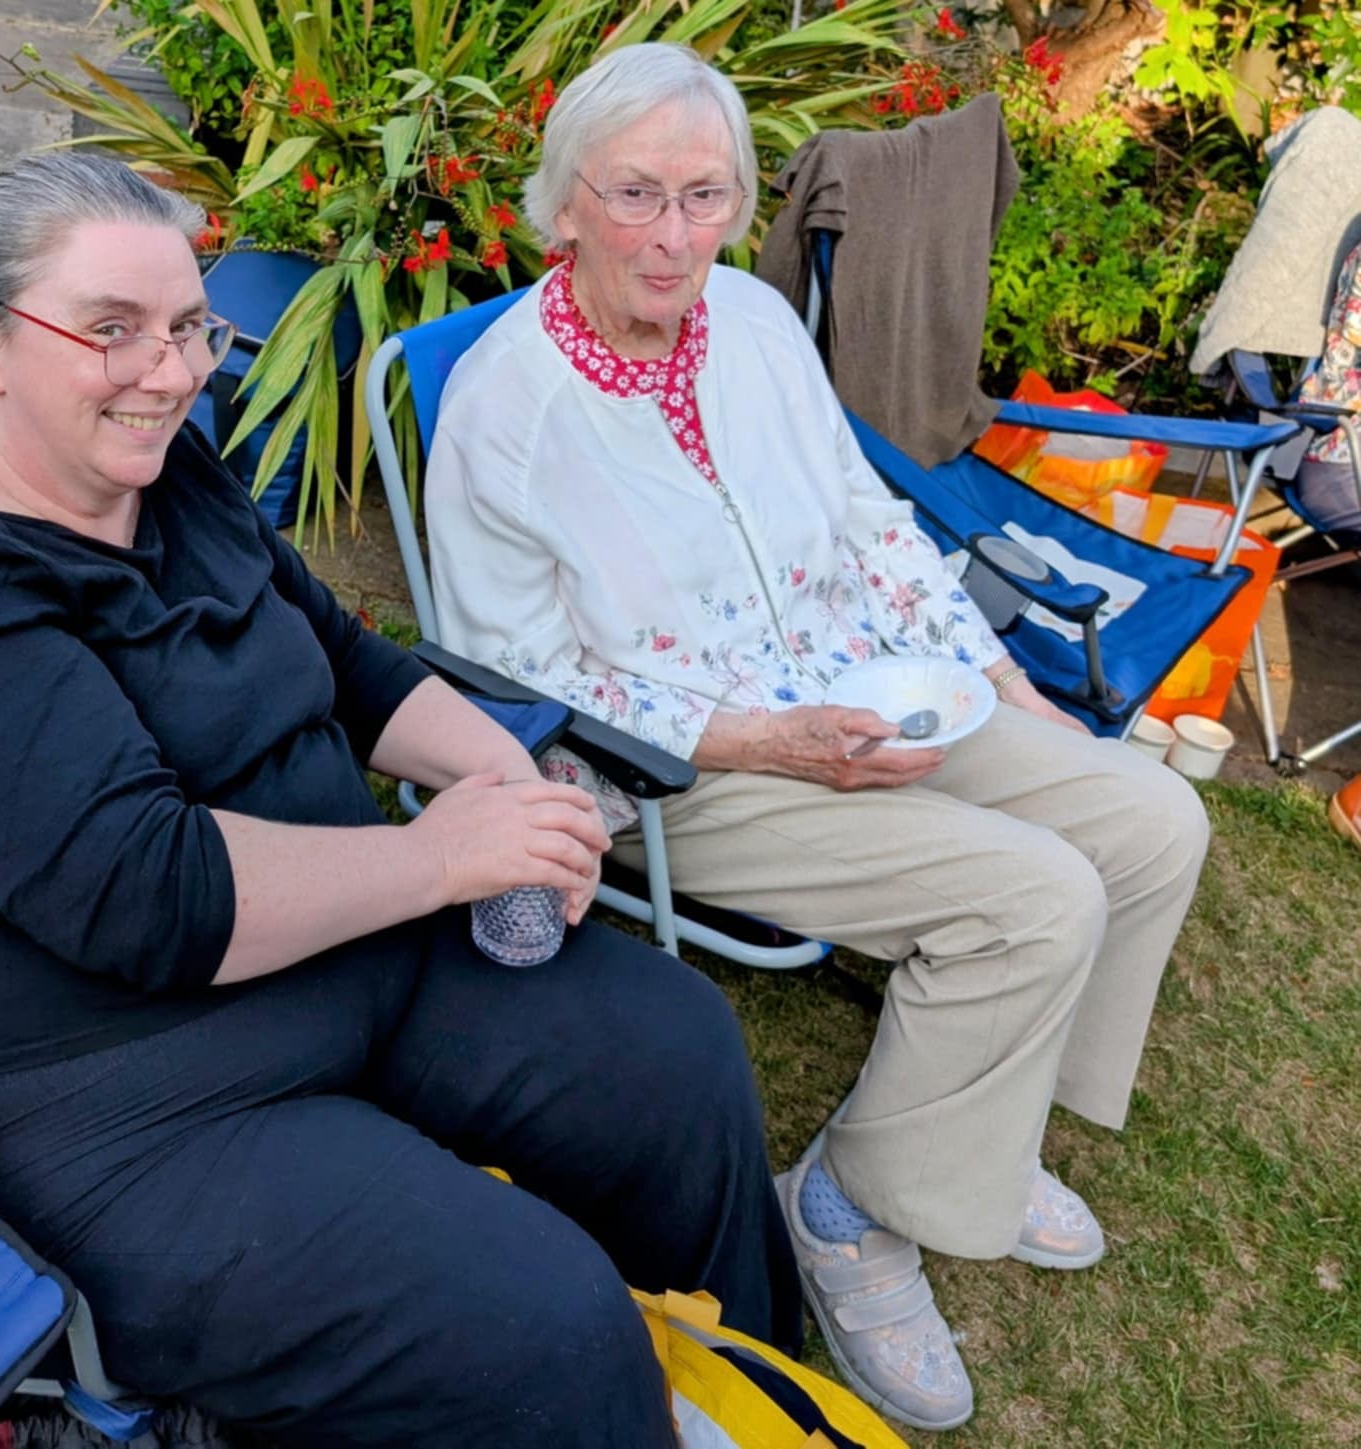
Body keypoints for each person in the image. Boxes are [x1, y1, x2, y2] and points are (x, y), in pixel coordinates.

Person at [0, 151, 802, 1447]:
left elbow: (346, 665)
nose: (172, 371)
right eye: (112, 330)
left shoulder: (165, 475)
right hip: (112, 1098)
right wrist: (441, 861)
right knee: (539, 1321)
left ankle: (754, 1393)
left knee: (671, 1051)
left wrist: (500, 778)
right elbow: (158, 898)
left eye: (190, 326)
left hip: (333, 951)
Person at [425, 42, 1211, 1433]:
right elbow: (518, 677)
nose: (673, 239)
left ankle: (984, 1117)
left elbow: (863, 522)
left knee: (1151, 818)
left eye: (706, 195)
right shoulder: (504, 410)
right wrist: (772, 740)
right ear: (562, 206)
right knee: (1033, 896)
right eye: (634, 195)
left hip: (868, 681)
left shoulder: (752, 321)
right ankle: (848, 1206)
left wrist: (998, 679)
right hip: (688, 763)